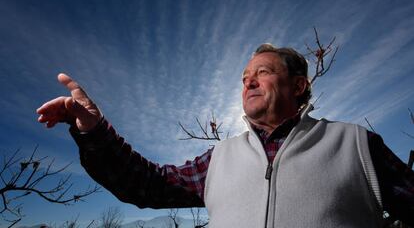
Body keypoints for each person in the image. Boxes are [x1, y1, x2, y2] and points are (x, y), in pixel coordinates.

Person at [37, 44, 414, 227]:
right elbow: (144, 185)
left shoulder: (357, 146)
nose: (248, 79)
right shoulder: (218, 159)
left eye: (262, 72)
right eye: (244, 77)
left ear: (298, 86)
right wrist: (93, 130)